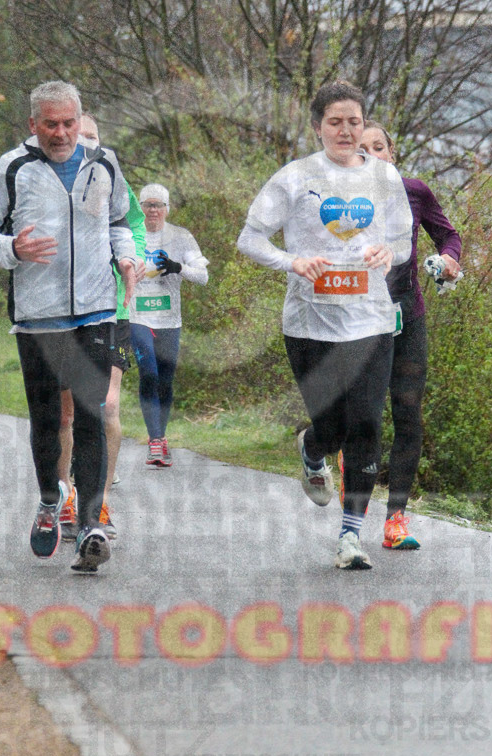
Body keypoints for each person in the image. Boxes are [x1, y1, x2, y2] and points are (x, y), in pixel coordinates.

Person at [237, 82, 412, 570]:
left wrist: (387, 253)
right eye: (335, 121)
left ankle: (351, 536)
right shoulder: (295, 177)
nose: (345, 130)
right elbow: (250, 239)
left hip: (371, 321)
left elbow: (404, 245)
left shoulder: (385, 178)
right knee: (332, 427)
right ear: (317, 127)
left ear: (364, 125)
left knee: (368, 423)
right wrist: (291, 261)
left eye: (354, 121)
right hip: (310, 323)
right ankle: (312, 449)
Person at [0, 81, 137, 574]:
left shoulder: (103, 162)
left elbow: (120, 221)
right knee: (48, 421)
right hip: (38, 318)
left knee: (91, 414)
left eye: (69, 123)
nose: (62, 133)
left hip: (96, 311)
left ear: (79, 120)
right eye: (51, 124)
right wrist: (13, 251)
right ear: (33, 125)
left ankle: (89, 525)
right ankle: (49, 502)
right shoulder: (14, 168)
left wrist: (126, 258)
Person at [359, 120, 462, 550]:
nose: (371, 156)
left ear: (392, 151)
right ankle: (353, 503)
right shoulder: (343, 200)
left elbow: (449, 235)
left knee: (407, 414)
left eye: (378, 147)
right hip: (359, 321)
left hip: (408, 318)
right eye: (361, 150)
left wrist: (449, 259)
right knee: (363, 418)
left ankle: (396, 518)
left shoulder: (414, 191)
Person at [57, 114, 146, 541]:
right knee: (67, 411)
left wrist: (135, 259)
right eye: (81, 136)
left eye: (94, 136)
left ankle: (100, 500)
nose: (87, 143)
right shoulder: (52, 181)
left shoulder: (114, 180)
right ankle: (65, 494)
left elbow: (135, 229)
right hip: (60, 312)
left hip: (113, 311)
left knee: (107, 405)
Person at [128, 184, 208, 465]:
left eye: (158, 205)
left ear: (167, 209)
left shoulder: (180, 237)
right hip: (136, 316)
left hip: (169, 320)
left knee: (165, 378)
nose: (153, 210)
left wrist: (177, 267)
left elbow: (203, 276)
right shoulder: (129, 234)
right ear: (139, 208)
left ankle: (161, 437)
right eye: (147, 205)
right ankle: (155, 441)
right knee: (148, 372)